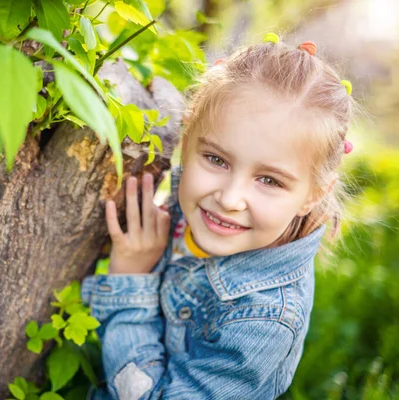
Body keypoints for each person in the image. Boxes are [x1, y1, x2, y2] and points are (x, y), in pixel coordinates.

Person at [81, 33, 357, 399]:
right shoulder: (198, 205)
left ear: (314, 195)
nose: (229, 199)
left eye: (269, 180)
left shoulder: (265, 321)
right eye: (216, 160)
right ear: (187, 136)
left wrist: (131, 280)